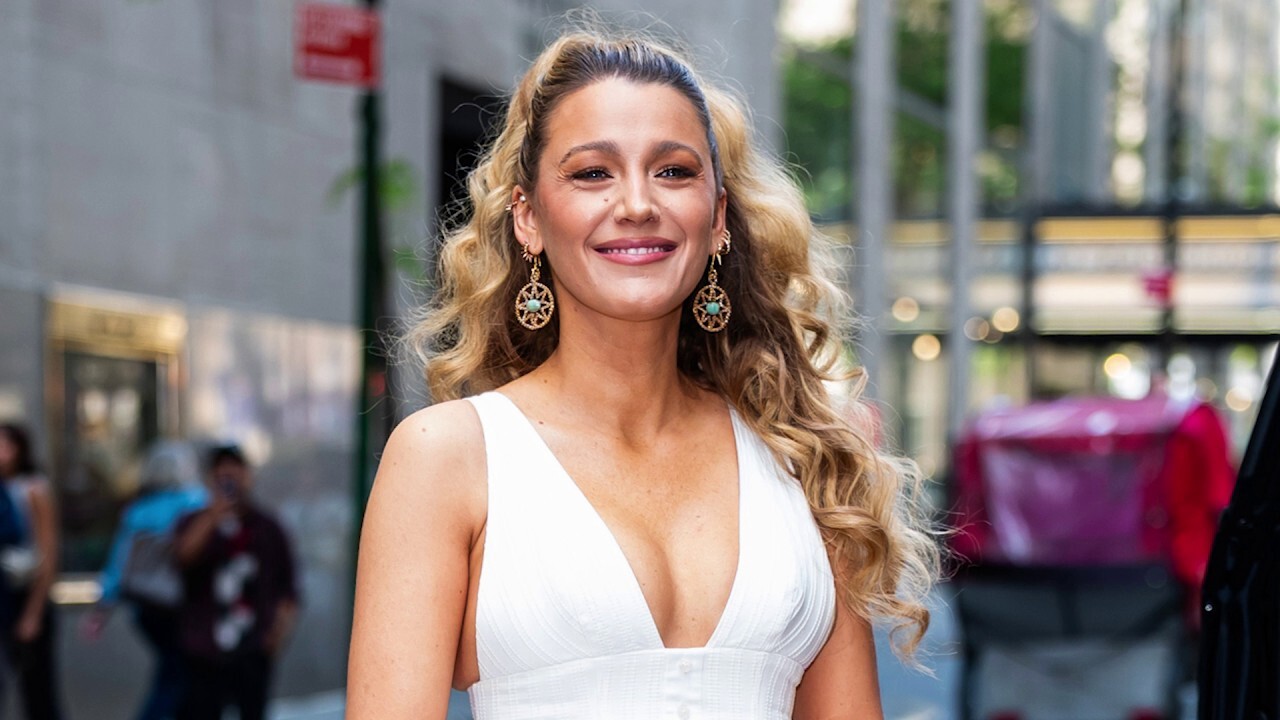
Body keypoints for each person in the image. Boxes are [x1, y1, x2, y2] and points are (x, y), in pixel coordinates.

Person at [347, 22, 938, 720]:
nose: (636, 204)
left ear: (717, 218)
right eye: (592, 173)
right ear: (528, 218)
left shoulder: (802, 454)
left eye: (674, 171)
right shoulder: (448, 455)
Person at [80, 440, 209, 720]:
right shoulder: (197, 502)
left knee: (176, 672)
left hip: (147, 608)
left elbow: (118, 563)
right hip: (183, 606)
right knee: (177, 675)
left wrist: (103, 606)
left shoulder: (139, 510)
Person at [172, 445, 299, 720]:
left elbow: (288, 588)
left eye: (235, 472)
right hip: (204, 651)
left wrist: (275, 636)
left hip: (252, 649)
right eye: (221, 474)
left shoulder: (268, 527)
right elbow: (181, 559)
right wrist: (212, 516)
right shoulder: (194, 522)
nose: (229, 481)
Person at [0, 423, 64, 720]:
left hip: (24, 593)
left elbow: (48, 554)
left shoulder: (33, 489)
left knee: (37, 690)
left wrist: (33, 613)